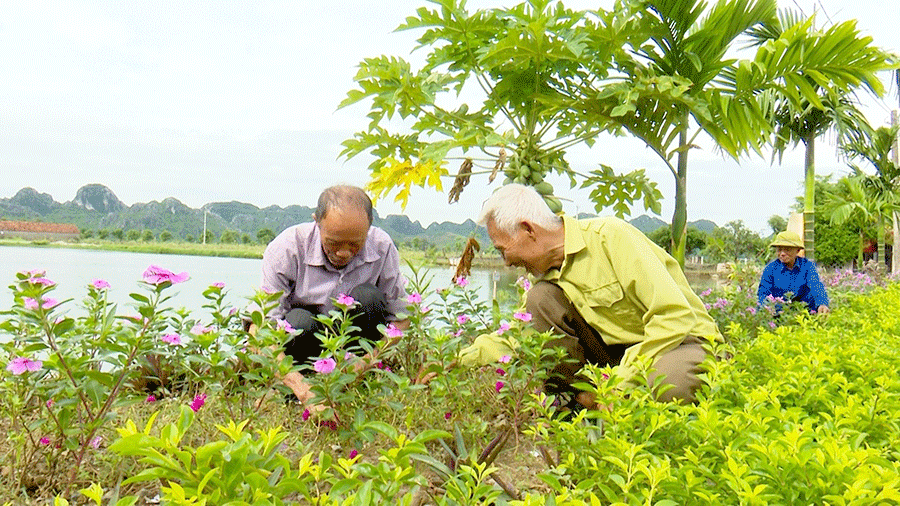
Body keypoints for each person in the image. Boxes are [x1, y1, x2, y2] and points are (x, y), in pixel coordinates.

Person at [476, 184, 722, 406]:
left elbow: (674, 317)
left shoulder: (611, 238)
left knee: (668, 384)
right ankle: (583, 403)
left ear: (528, 229)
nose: (506, 262)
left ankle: (608, 401)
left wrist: (620, 382)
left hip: (680, 343)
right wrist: (452, 359)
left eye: (502, 250)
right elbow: (519, 335)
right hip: (622, 357)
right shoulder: (544, 276)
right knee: (540, 300)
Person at [260, 185, 408, 402]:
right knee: (297, 321)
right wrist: (299, 385)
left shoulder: (382, 246)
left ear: (369, 228)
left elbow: (401, 318)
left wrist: (366, 363)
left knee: (369, 297)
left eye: (355, 244)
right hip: (304, 347)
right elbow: (261, 328)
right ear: (316, 222)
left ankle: (355, 389)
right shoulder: (287, 248)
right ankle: (296, 392)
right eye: (334, 242)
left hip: (355, 350)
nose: (344, 253)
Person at [757, 230, 830, 314]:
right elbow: (763, 293)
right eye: (779, 250)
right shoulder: (770, 269)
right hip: (778, 312)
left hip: (804, 310)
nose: (782, 253)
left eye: (787, 250)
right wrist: (767, 309)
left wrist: (822, 303)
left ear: (797, 250)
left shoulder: (808, 266)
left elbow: (816, 285)